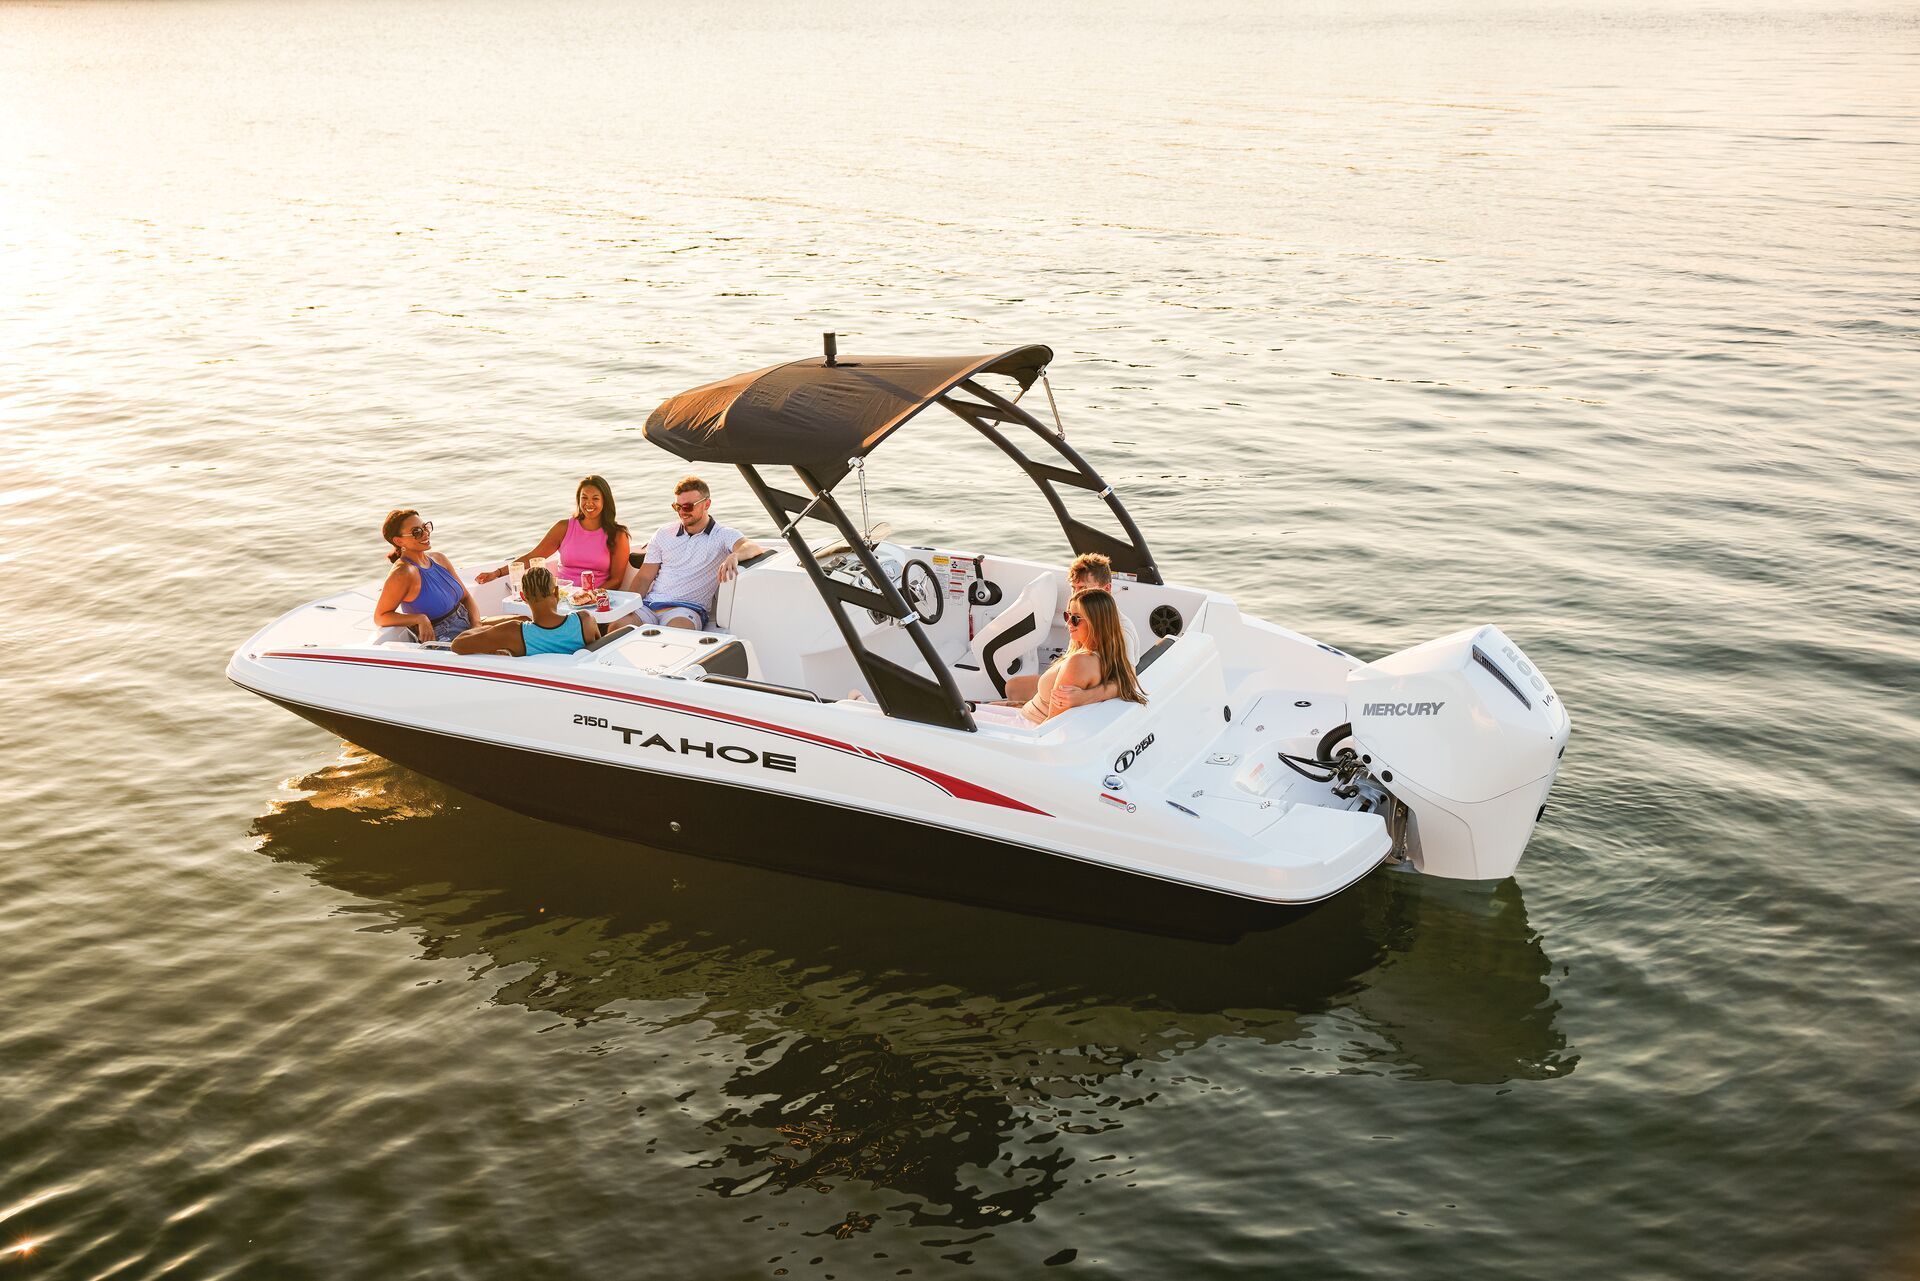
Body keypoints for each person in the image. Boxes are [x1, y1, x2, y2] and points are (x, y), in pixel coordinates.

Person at [978, 588, 1146, 726]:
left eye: (1075, 619)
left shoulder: (1080, 662)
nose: (1068, 624)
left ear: (1097, 622)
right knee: (971, 706)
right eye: (1067, 616)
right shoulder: (1099, 653)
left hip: (1027, 724)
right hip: (1026, 713)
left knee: (956, 718)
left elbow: (1050, 726)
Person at [1002, 552, 1140, 708]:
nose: (1076, 595)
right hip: (1061, 684)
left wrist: (1084, 697)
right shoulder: (1079, 618)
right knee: (1013, 687)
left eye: (1082, 588)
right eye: (1073, 588)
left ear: (1106, 589)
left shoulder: (1122, 631)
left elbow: (1129, 681)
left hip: (1078, 691)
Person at [629, 476, 765, 629]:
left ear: (706, 504)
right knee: (618, 626)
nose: (682, 512)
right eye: (677, 507)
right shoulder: (663, 533)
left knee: (677, 634)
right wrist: (627, 608)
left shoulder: (722, 534)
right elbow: (644, 577)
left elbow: (752, 546)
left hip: (687, 609)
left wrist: (734, 555)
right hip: (650, 605)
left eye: (687, 507)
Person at [474, 475, 631, 594]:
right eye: (584, 498)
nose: (589, 503)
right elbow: (534, 555)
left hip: (596, 598)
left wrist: (590, 595)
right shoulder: (564, 527)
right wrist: (497, 573)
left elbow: (616, 580)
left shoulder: (617, 535)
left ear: (605, 501)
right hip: (561, 596)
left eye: (595, 498)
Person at [374, 508, 481, 643]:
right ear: (399, 541)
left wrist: (476, 626)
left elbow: (465, 597)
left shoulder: (439, 559)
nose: (425, 534)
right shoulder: (403, 573)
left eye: (425, 527)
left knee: (515, 625)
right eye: (416, 532)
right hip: (446, 639)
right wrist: (419, 618)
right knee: (511, 632)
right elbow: (380, 616)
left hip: (469, 625)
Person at [451, 566, 602, 656]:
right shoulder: (585, 621)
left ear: (523, 597)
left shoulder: (513, 632)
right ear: (556, 592)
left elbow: (457, 645)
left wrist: (489, 627)